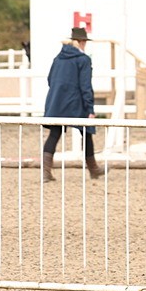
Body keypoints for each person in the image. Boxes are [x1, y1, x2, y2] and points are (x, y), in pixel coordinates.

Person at [42, 26, 102, 181]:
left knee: (54, 134)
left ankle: (46, 171)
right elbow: (85, 86)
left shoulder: (58, 58)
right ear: (81, 42)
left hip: (57, 102)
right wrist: (90, 108)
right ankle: (93, 168)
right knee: (87, 133)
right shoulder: (83, 60)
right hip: (76, 103)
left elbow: (50, 80)